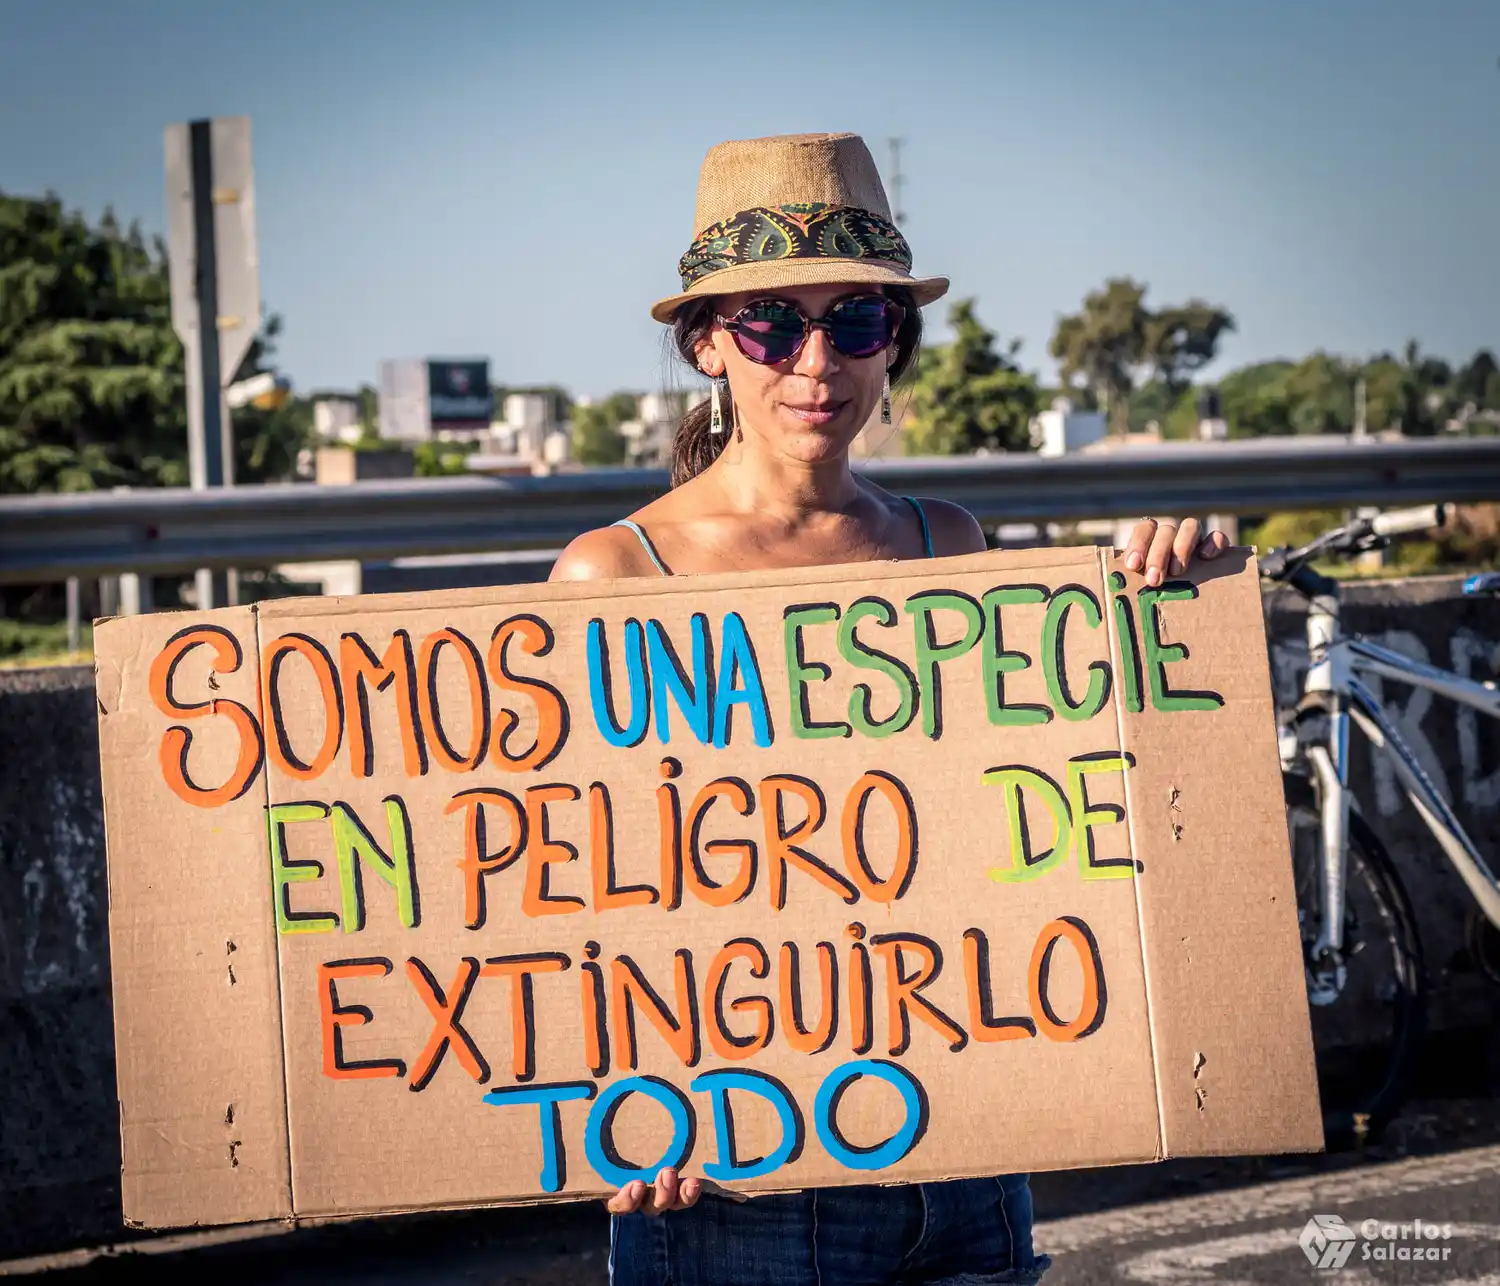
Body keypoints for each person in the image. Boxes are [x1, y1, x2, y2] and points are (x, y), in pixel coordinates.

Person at [551, 132, 1226, 1286]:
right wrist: (604, 1109)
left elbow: (1021, 819)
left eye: (857, 320)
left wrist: (1178, 585)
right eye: (772, 323)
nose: (817, 361)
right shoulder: (616, 575)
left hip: (965, 1162)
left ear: (893, 343)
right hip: (730, 1177)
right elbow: (575, 890)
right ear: (709, 342)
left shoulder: (946, 546)